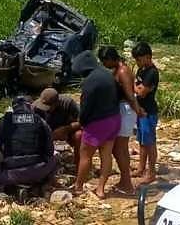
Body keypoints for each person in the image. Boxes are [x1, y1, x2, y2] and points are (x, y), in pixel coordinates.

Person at [71, 50, 120, 198]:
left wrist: (82, 122)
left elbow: (86, 108)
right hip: (114, 119)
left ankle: (78, 187)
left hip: (97, 124)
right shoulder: (107, 74)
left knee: (85, 155)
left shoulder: (89, 81)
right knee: (106, 156)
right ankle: (101, 189)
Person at [0, 96, 56, 195]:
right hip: (38, 172)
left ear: (14, 108)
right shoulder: (40, 120)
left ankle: (10, 188)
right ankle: (42, 185)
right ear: (30, 107)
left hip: (11, 174)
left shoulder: (4, 121)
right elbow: (50, 150)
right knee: (54, 160)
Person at [97, 46, 140, 195]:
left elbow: (129, 94)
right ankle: (125, 180)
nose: (104, 64)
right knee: (119, 148)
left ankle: (127, 183)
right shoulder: (118, 70)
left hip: (126, 110)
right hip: (123, 109)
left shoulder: (122, 71)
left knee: (119, 148)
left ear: (110, 59)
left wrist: (138, 111)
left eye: (104, 61)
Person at [132, 42, 160, 185]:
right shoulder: (141, 71)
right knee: (142, 142)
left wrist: (133, 85)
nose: (137, 62)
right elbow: (138, 88)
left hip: (149, 112)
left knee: (150, 143)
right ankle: (141, 168)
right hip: (141, 111)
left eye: (139, 59)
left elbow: (142, 92)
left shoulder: (152, 73)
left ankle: (152, 172)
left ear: (148, 57)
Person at [33, 88, 82, 168]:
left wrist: (66, 129)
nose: (44, 109)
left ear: (56, 103)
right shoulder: (35, 107)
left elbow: (84, 121)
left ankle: (78, 166)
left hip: (66, 130)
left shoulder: (68, 103)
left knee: (79, 135)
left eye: (48, 106)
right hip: (45, 132)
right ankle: (40, 164)